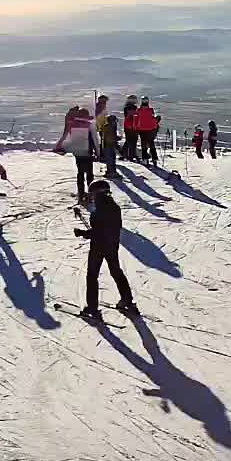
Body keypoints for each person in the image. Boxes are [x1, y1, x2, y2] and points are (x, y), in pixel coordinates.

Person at [76, 178, 137, 320]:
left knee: (92, 275)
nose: (91, 197)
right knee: (116, 271)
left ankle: (92, 307)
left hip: (99, 246)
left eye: (92, 194)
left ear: (98, 193)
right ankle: (127, 300)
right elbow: (107, 227)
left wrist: (83, 233)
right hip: (112, 245)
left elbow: (98, 231)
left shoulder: (101, 208)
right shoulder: (113, 206)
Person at [55, 105, 98, 204]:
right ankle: (91, 194)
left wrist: (60, 147)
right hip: (88, 152)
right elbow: (94, 139)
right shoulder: (89, 124)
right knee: (90, 174)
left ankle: (81, 194)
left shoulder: (72, 124)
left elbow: (68, 138)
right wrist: (98, 152)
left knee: (80, 173)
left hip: (78, 152)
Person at [139, 98, 159, 165]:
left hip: (142, 129)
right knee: (151, 144)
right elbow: (153, 118)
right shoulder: (151, 110)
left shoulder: (139, 110)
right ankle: (154, 159)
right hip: (151, 129)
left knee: (144, 144)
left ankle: (145, 159)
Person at [122, 95, 140, 161]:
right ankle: (131, 155)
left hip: (127, 126)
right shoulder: (134, 108)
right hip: (133, 126)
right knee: (133, 141)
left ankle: (126, 154)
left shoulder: (126, 108)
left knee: (128, 141)